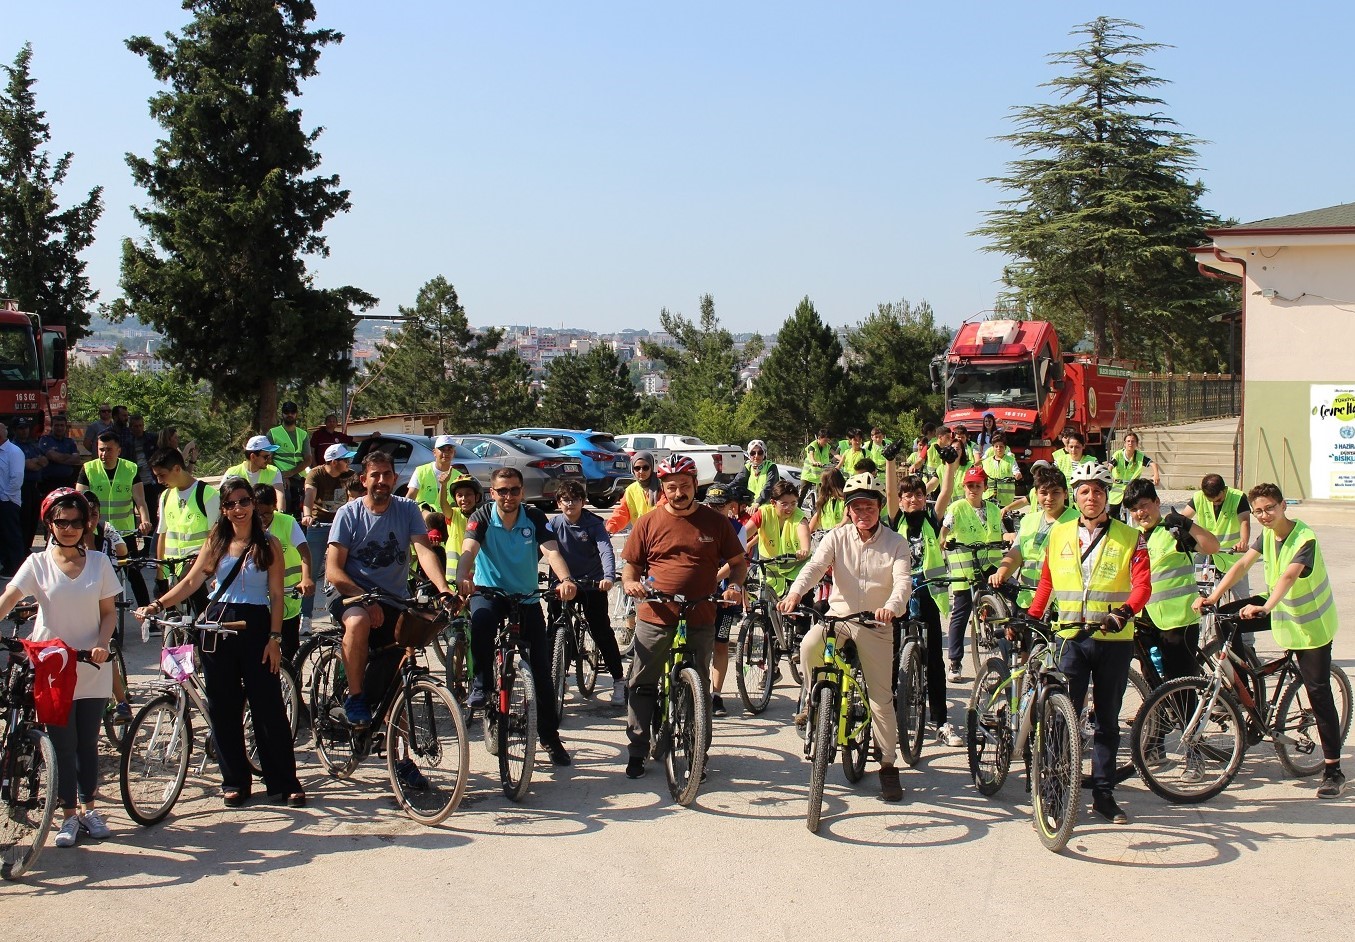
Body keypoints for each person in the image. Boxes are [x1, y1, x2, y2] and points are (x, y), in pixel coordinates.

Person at [137, 476, 304, 808]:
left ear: (253, 505)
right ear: (223, 509)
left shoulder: (268, 544)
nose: (238, 509)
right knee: (224, 708)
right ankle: (235, 781)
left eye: (243, 502)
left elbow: (274, 594)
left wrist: (274, 638)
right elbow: (190, 582)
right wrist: (157, 604)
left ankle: (284, 781)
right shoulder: (216, 541)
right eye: (230, 504)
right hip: (216, 624)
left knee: (267, 706)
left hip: (255, 623)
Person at [1194, 483, 1345, 798]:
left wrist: (1265, 607)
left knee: (1318, 693)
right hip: (1283, 610)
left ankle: (1333, 769)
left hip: (1311, 625)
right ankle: (1248, 696)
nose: (1263, 515)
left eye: (1269, 509)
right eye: (1258, 511)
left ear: (1283, 506)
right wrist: (1214, 597)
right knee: (1227, 617)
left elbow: (1289, 577)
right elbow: (1241, 565)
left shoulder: (1305, 538)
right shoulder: (1267, 536)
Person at [1027, 463, 1151, 825]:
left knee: (1107, 721)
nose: (1091, 497)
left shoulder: (1131, 536)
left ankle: (1103, 793)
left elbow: (1142, 585)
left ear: (1106, 495)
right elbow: (1048, 583)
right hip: (1071, 638)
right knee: (1063, 718)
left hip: (1113, 638)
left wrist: (1125, 612)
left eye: (1097, 490)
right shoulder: (1059, 533)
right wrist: (1032, 618)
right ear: (1075, 495)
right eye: (1084, 490)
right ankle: (1056, 790)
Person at [779, 473, 912, 802]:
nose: (863, 512)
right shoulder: (836, 538)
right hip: (839, 618)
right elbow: (814, 567)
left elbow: (902, 582)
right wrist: (795, 593)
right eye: (856, 507)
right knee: (809, 645)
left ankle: (887, 765)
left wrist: (892, 608)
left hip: (876, 624)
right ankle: (814, 700)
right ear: (848, 510)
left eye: (869, 506)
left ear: (879, 507)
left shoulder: (896, 542)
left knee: (881, 699)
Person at [0, 488, 120, 846]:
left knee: (88, 744)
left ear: (86, 525)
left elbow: (109, 613)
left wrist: (101, 643)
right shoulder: (36, 564)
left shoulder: (99, 563)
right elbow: (8, 600)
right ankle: (68, 814)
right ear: (49, 523)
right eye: (61, 522)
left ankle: (90, 808)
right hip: (54, 669)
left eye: (76, 522)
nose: (69, 528)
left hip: (92, 667)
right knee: (62, 745)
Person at [621, 454, 746, 779]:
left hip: (701, 613)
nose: (679, 492)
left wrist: (733, 585)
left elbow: (738, 561)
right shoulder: (649, 522)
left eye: (685, 486)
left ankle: (695, 752)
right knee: (643, 682)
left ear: (694, 485)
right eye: (672, 487)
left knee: (698, 687)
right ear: (663, 487)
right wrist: (632, 583)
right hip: (656, 613)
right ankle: (637, 748)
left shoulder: (714, 522)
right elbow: (632, 566)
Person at [456, 467, 576, 765]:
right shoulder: (481, 517)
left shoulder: (534, 517)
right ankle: (482, 684)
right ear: (492, 493)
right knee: (482, 621)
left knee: (541, 673)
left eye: (514, 490)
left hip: (527, 597)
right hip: (489, 592)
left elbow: (552, 552)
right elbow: (468, 551)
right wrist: (462, 578)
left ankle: (549, 738)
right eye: (502, 490)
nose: (508, 496)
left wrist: (565, 579)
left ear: (522, 492)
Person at [327, 451, 452, 729]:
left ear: (395, 478)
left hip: (393, 598)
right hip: (350, 594)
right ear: (364, 479)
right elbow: (334, 571)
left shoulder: (407, 509)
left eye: (387, 475)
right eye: (375, 475)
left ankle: (403, 760)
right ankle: (356, 697)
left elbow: (423, 550)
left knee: (398, 681)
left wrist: (444, 589)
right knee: (358, 620)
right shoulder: (348, 514)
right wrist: (364, 598)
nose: (381, 480)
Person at [886, 444, 962, 746]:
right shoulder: (896, 521)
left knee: (935, 661)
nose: (914, 499)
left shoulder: (931, 517)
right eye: (909, 496)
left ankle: (941, 721)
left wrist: (950, 465)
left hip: (929, 593)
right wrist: (891, 462)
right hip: (899, 594)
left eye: (919, 494)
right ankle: (890, 715)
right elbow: (890, 493)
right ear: (902, 501)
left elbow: (945, 492)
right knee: (892, 656)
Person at [1124, 479, 1219, 684]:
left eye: (1144, 505)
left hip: (1178, 622)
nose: (1140, 513)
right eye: (1134, 509)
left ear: (1157, 502)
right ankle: (1157, 717)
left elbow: (1212, 547)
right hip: (1144, 621)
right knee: (1152, 684)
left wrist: (1187, 523)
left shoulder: (1172, 531)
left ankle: (1186, 717)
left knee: (1181, 685)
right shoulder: (1133, 537)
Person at [546, 479, 626, 705]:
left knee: (601, 630)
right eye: (565, 500)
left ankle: (619, 680)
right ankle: (553, 676)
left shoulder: (594, 524)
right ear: (558, 503)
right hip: (561, 586)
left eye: (574, 500)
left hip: (591, 584)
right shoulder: (552, 525)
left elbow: (605, 550)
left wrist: (608, 577)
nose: (569, 504)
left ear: (583, 501)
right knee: (553, 629)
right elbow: (539, 550)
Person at [939, 465, 1007, 682]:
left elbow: (1003, 533)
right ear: (964, 487)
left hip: (990, 568)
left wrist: (1012, 537)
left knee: (1006, 607)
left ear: (984, 487)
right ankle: (955, 661)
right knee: (961, 612)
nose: (973, 490)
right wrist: (945, 540)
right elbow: (945, 529)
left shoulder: (994, 509)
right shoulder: (957, 507)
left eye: (977, 485)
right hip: (966, 570)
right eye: (969, 486)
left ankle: (1005, 651)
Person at [75, 432, 153, 608]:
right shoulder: (88, 469)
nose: (104, 454)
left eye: (109, 450)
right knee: (94, 573)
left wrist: (145, 520)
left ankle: (148, 614)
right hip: (95, 531)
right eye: (101, 450)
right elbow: (78, 501)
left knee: (133, 572)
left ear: (119, 450)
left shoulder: (130, 469)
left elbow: (140, 501)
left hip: (124, 531)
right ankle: (96, 613)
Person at [991, 465, 1077, 612]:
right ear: (1036, 494)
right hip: (1028, 598)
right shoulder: (1028, 521)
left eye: (1055, 492)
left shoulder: (1077, 522)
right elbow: (1017, 551)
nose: (1049, 498)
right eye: (1043, 493)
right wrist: (1001, 572)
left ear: (1065, 494)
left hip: (1061, 603)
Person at [80, 490, 135, 721]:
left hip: (102, 594)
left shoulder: (106, 530)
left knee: (102, 650)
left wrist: (113, 541)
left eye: (94, 515)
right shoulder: (66, 535)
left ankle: (121, 701)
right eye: (86, 516)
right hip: (76, 598)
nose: (90, 521)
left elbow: (123, 550)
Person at [149, 447, 220, 614]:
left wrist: (203, 562)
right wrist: (160, 574)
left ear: (177, 468)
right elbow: (163, 535)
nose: (159, 481)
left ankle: (206, 629)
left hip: (197, 565)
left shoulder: (207, 494)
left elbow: (215, 535)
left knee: (199, 608)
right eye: (156, 476)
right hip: (172, 567)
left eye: (162, 475)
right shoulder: (166, 496)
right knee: (170, 614)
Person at [703, 483, 750, 717]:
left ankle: (716, 695)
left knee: (720, 643)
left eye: (720, 506)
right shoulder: (697, 522)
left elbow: (737, 562)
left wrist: (719, 581)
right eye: (711, 505)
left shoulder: (736, 528)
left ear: (730, 506)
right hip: (700, 594)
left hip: (724, 593)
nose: (715, 509)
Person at [254, 484, 313, 662]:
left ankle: (294, 683)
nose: (262, 519)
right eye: (258, 514)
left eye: (267, 514)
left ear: (274, 507)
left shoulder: (287, 522)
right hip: (261, 600)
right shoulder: (248, 525)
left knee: (290, 649)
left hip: (288, 597)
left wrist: (307, 578)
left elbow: (305, 552)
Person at [300, 443, 356, 631]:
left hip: (342, 525)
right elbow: (309, 496)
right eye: (345, 459)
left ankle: (338, 610)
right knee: (311, 570)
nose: (349, 462)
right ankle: (306, 617)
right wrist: (307, 514)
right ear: (333, 462)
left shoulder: (349, 474)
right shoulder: (316, 474)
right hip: (319, 524)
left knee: (344, 569)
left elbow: (354, 497)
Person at [1179, 473, 1252, 599]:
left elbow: (1245, 521)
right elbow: (1184, 518)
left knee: (1242, 598)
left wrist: (1243, 542)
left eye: (1218, 500)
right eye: (1211, 501)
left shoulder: (1238, 497)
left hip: (1231, 554)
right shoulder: (1198, 498)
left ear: (1224, 490)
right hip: (1206, 551)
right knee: (1195, 586)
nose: (1215, 504)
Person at [742, 480, 811, 594]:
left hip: (796, 569)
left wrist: (804, 550)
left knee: (799, 603)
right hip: (770, 569)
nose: (789, 508)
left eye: (793, 503)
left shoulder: (799, 517)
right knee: (768, 603)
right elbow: (744, 534)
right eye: (784, 504)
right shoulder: (763, 513)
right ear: (773, 503)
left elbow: (804, 534)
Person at [438, 475, 483, 588]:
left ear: (477, 497)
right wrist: (443, 485)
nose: (464, 498)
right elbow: (443, 505)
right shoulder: (454, 514)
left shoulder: (482, 516)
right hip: (453, 576)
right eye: (459, 495)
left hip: (476, 574)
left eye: (468, 494)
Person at [224, 435, 287, 511]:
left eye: (270, 456)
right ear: (253, 457)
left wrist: (280, 513)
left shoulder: (274, 471)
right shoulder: (232, 473)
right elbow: (223, 498)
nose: (269, 460)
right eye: (266, 457)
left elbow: (280, 494)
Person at [268, 401, 310, 514]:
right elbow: (268, 459)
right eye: (286, 412)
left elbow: (308, 459)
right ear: (282, 414)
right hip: (280, 476)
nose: (289, 414)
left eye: (292, 412)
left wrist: (291, 473)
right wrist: (281, 475)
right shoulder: (273, 433)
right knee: (285, 503)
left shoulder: (303, 434)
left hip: (299, 476)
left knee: (306, 503)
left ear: (296, 414)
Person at [1108, 431, 1158, 519]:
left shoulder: (1139, 456)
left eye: (1133, 441)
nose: (1130, 443)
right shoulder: (1118, 455)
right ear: (1124, 443)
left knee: (1134, 509)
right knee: (1113, 512)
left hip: (1132, 487)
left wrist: (1156, 475)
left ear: (1137, 444)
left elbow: (1152, 464)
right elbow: (1110, 466)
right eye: (1128, 441)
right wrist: (1108, 476)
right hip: (1118, 487)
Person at [406, 434, 464, 511]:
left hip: (448, 520)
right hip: (423, 519)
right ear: (434, 452)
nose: (446, 453)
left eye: (449, 449)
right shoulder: (421, 471)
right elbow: (410, 496)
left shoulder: (459, 477)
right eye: (442, 449)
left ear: (454, 453)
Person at [15, 418, 47, 552]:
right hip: (23, 487)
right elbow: (29, 466)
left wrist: (34, 462)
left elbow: (44, 462)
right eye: (21, 428)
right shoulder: (15, 447)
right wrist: (34, 462)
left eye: (26, 428)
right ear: (15, 430)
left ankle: (27, 547)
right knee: (24, 520)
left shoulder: (32, 445)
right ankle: (21, 548)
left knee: (33, 520)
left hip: (35, 487)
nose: (24, 431)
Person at [0, 421, 25, 575]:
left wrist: (4, 498)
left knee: (11, 535)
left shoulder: (13, 452)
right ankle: (5, 565)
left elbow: (16, 478)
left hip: (8, 501)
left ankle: (15, 568)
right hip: (2, 500)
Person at [39, 415, 82, 495]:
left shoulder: (70, 442)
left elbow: (77, 459)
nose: (59, 428)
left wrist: (60, 458)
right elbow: (52, 456)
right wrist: (69, 457)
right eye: (56, 425)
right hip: (49, 482)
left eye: (62, 425)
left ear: (65, 427)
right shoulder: (45, 440)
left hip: (67, 482)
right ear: (52, 427)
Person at [732, 439, 779, 508]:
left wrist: (758, 502)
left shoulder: (771, 467)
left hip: (768, 508)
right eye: (752, 453)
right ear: (749, 454)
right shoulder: (748, 467)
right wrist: (723, 489)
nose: (756, 456)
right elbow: (737, 482)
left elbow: (769, 487)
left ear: (764, 454)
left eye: (760, 453)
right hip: (751, 507)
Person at [981, 431, 1021, 509]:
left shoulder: (1011, 460)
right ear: (993, 448)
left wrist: (1017, 475)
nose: (999, 449)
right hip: (988, 497)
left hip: (1006, 500)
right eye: (996, 446)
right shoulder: (986, 462)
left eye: (1001, 446)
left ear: (1005, 448)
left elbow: (1016, 471)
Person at [799, 429, 836, 502]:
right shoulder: (812, 446)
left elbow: (835, 454)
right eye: (825, 440)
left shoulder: (827, 446)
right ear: (819, 438)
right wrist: (815, 462)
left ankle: (819, 511)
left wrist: (843, 459)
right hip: (808, 475)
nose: (826, 443)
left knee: (822, 495)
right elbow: (811, 455)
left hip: (820, 476)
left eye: (828, 441)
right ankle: (797, 509)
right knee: (801, 494)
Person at [808, 468, 846, 534]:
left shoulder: (846, 500)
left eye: (822, 482)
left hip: (844, 538)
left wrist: (842, 523)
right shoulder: (826, 501)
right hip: (827, 538)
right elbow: (817, 517)